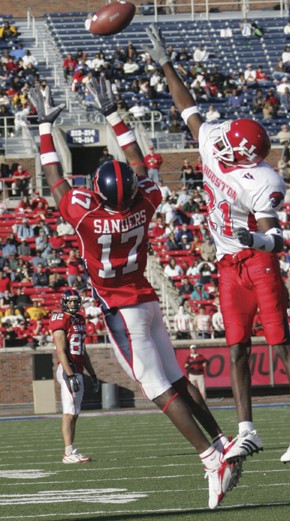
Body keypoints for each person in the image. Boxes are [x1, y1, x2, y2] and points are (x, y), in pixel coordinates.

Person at [29, 79, 241, 510]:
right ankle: (222, 440)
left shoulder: (86, 214)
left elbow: (53, 176)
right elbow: (139, 164)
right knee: (177, 379)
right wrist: (113, 114)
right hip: (145, 298)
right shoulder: (144, 201)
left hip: (121, 309)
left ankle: (210, 459)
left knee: (156, 388)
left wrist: (45, 126)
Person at [143, 24, 290, 464]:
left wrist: (255, 237)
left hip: (255, 259)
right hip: (227, 264)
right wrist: (166, 64)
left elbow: (274, 237)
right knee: (237, 347)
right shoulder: (213, 142)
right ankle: (247, 431)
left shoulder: (263, 180)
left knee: (280, 341)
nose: (215, 140)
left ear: (243, 156)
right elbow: (189, 108)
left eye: (226, 143)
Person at [50, 289, 99, 463]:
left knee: (75, 413)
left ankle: (71, 450)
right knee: (69, 412)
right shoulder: (60, 318)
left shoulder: (79, 319)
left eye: (75, 301)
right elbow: (61, 351)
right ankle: (68, 453)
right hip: (68, 369)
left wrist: (92, 373)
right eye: (69, 301)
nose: (72, 304)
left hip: (77, 369)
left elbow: (82, 350)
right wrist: (69, 375)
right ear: (63, 302)